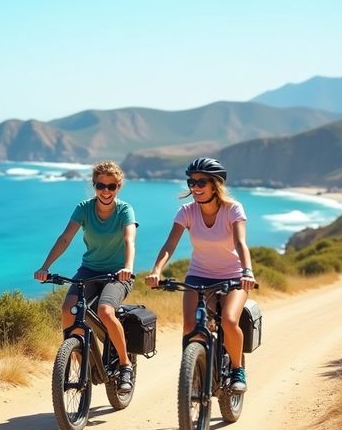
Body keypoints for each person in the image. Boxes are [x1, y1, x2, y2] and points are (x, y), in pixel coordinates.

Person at [144, 157, 256, 392]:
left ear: (215, 184)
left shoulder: (233, 209)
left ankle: (237, 369)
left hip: (233, 276)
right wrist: (156, 270)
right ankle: (196, 369)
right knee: (190, 326)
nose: (194, 187)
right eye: (191, 182)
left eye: (201, 182)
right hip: (198, 275)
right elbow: (170, 245)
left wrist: (247, 272)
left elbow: (240, 243)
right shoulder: (187, 212)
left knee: (229, 321)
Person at [34, 160, 138, 393]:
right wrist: (45, 267)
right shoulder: (83, 209)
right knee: (68, 310)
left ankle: (125, 365)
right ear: (94, 186)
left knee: (105, 311)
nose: (106, 191)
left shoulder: (124, 210)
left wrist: (128, 267)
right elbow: (65, 238)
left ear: (118, 187)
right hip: (89, 270)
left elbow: (129, 240)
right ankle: (81, 362)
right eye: (101, 186)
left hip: (117, 274)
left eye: (111, 186)